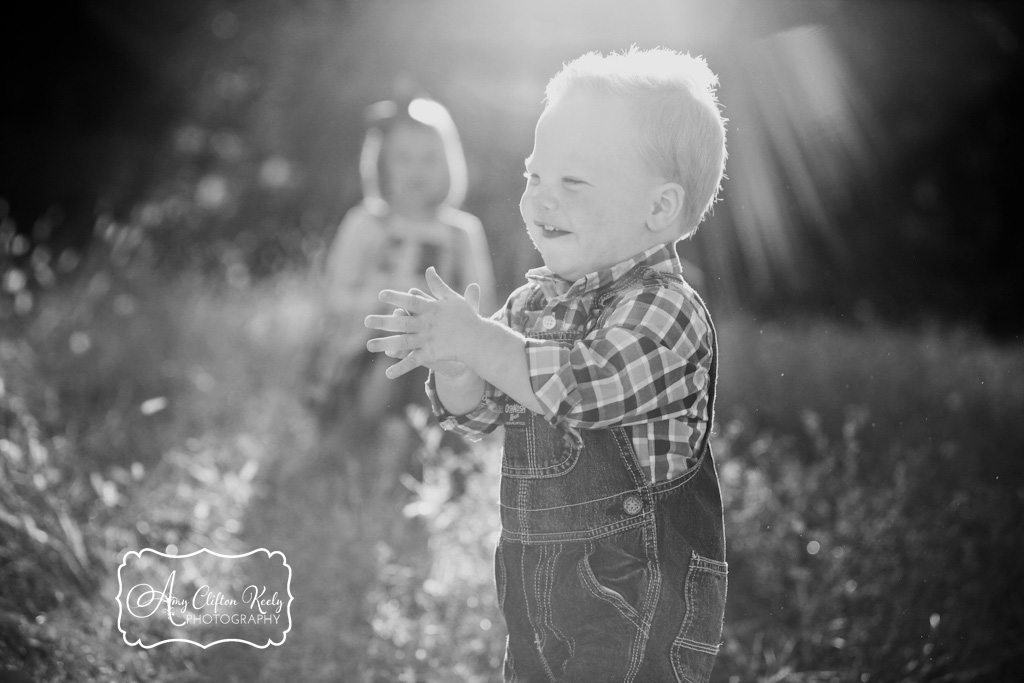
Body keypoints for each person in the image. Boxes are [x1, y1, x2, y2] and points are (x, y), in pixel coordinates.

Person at [365, 47, 728, 682]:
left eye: (573, 182)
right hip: (534, 577)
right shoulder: (534, 301)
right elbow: (483, 414)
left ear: (660, 209)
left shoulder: (666, 310)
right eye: (535, 177)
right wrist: (457, 367)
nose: (542, 200)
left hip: (639, 587)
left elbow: (588, 386)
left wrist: (480, 342)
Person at [309, 94, 495, 495]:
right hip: (363, 350)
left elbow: (485, 310)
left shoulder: (461, 233)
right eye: (403, 158)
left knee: (427, 359)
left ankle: (415, 461)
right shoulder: (367, 224)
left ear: (448, 163)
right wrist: (383, 296)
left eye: (429, 158)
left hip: (440, 356)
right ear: (381, 164)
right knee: (392, 354)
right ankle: (368, 453)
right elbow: (334, 300)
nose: (416, 170)